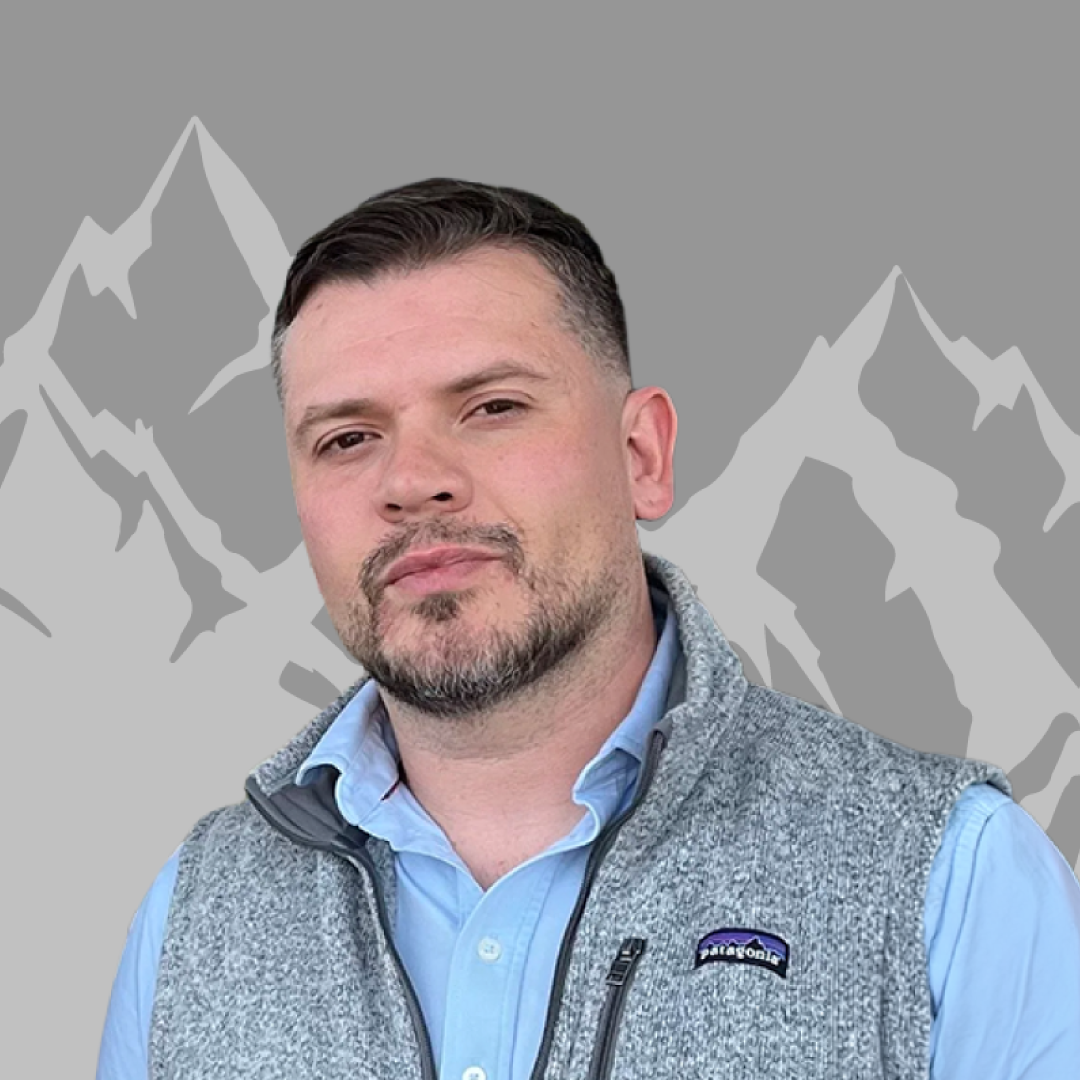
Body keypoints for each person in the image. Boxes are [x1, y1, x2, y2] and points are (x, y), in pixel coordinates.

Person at [96, 179, 1080, 1080]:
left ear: (642, 455)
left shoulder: (953, 884)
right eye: (347, 438)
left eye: (492, 407)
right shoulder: (194, 917)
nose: (412, 481)